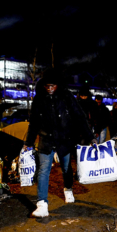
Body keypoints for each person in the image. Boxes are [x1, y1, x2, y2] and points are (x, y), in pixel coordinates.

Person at [23, 69, 97, 218]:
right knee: (44, 170)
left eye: (53, 86)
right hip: (46, 140)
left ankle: (68, 188)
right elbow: (34, 123)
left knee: (65, 167)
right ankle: (42, 204)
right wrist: (29, 142)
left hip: (64, 139)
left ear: (58, 85)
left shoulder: (67, 97)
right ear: (43, 85)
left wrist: (91, 137)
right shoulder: (39, 99)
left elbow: (80, 117)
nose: (50, 89)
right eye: (47, 86)